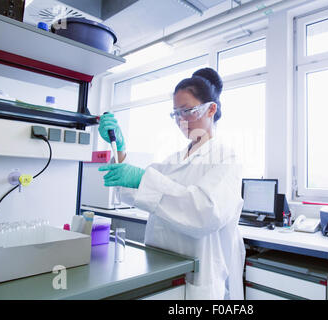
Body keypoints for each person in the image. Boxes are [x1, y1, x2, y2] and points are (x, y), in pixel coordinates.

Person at [98, 68, 246, 300]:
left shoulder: (226, 159)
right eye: (176, 114)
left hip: (198, 279)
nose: (181, 120)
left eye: (188, 111)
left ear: (211, 109)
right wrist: (119, 148)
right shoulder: (173, 160)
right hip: (162, 270)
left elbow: (205, 213)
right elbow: (131, 190)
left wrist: (143, 179)